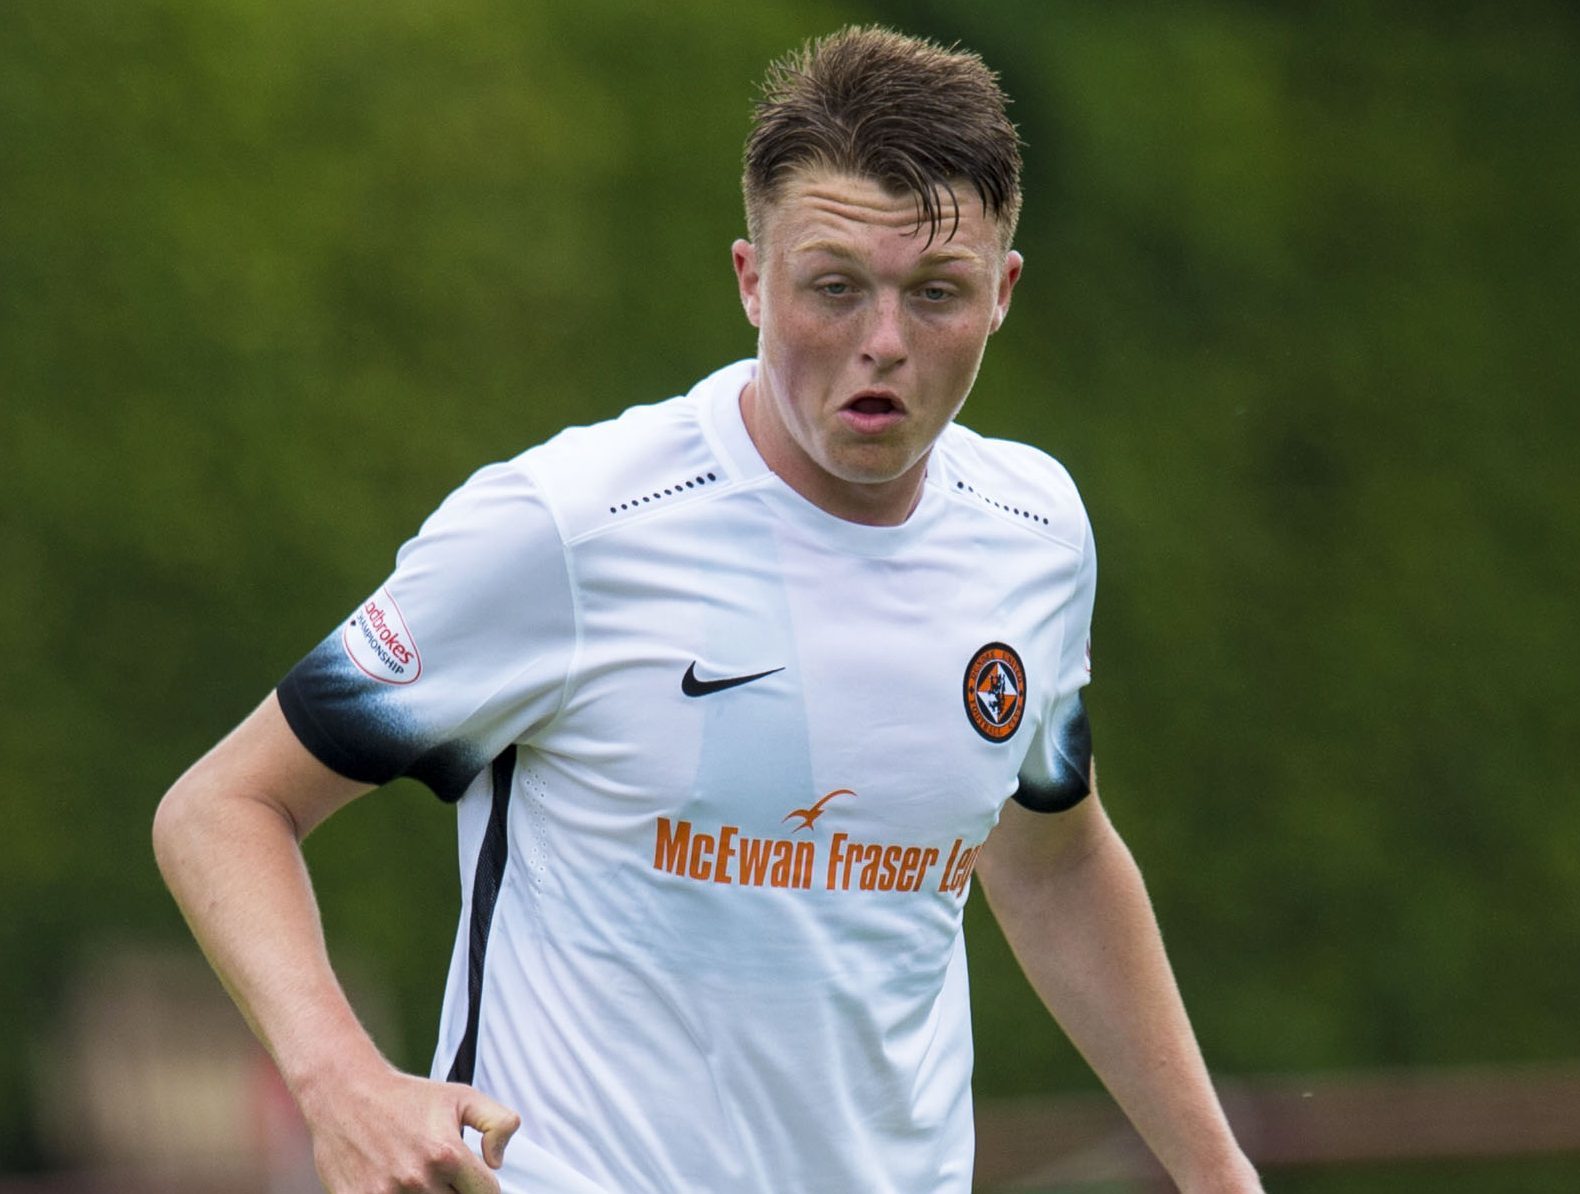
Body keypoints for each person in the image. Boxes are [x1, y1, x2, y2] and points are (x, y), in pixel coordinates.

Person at [154, 25, 1264, 1194]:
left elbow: (1052, 861)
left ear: (1005, 294)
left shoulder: (1033, 532)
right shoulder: (570, 528)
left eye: (937, 293)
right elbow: (224, 806)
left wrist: (1216, 1174)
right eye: (833, 287)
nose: (883, 343)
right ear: (749, 278)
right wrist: (344, 1085)